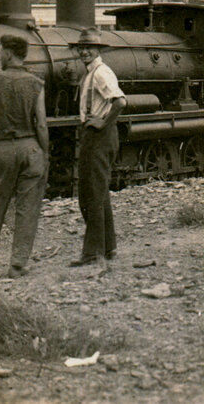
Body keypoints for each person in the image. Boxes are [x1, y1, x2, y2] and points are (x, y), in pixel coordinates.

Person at [0, 35, 48, 278]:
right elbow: (42, 124)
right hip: (31, 148)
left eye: (1, 52)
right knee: (27, 209)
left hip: (2, 149)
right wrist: (44, 153)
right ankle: (17, 265)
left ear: (8, 54)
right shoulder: (37, 84)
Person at [73, 28, 127, 267]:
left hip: (99, 135)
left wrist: (103, 122)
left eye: (89, 48)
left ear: (98, 50)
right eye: (81, 48)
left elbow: (120, 101)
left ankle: (93, 254)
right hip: (95, 133)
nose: (84, 51)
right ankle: (108, 247)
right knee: (98, 193)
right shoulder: (91, 72)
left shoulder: (101, 73)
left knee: (91, 194)